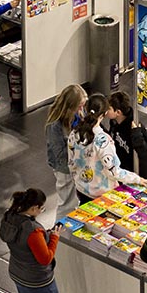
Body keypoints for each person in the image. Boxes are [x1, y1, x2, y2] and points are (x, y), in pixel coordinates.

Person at [0, 189, 63, 293]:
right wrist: (54, 237)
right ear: (34, 208)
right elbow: (45, 258)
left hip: (17, 273)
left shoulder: (9, 216)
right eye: (41, 208)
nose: (41, 211)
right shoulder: (33, 231)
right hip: (38, 280)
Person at [68, 93, 145, 202]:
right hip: (102, 194)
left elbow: (71, 162)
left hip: (81, 189)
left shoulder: (74, 133)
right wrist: (137, 179)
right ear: (104, 114)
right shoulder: (103, 140)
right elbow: (114, 171)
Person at [46, 84, 88, 216]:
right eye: (79, 106)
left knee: (75, 199)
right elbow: (60, 154)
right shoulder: (55, 125)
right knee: (66, 204)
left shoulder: (78, 115)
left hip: (77, 163)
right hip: (64, 168)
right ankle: (60, 226)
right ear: (70, 106)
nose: (81, 109)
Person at [106, 91, 147, 180]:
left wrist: (137, 136)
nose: (105, 110)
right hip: (120, 171)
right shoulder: (114, 122)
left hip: (135, 176)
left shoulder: (136, 129)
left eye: (108, 108)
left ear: (118, 112)